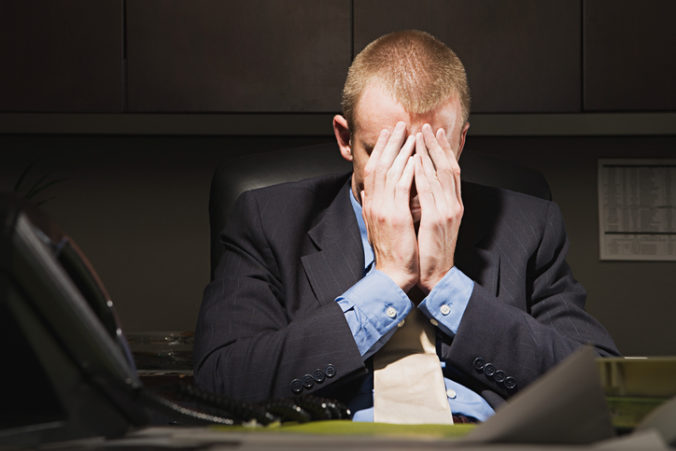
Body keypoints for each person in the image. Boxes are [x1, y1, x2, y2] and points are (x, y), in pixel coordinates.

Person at [193, 30, 618, 422]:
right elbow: (222, 380)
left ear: (461, 142)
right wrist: (387, 282)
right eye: (384, 152)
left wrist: (447, 284)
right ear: (345, 140)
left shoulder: (528, 226)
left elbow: (602, 384)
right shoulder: (269, 219)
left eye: (431, 154)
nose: (409, 178)